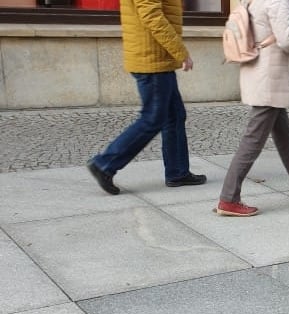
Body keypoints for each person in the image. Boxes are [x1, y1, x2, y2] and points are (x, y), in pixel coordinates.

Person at [216, 0, 289, 217]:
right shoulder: (278, 1)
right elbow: (288, 41)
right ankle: (228, 198)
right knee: (253, 140)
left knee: (285, 137)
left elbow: (271, 31)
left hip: (263, 75)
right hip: (271, 80)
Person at [86, 0, 206, 195]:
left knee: (174, 116)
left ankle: (178, 172)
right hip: (152, 59)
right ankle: (105, 164)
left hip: (158, 59)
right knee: (152, 118)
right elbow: (152, 16)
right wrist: (180, 52)